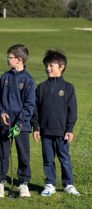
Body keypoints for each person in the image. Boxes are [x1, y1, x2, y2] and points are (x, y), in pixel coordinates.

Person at [31, 49, 80, 197]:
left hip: (62, 132)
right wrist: (36, 127)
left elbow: (72, 111)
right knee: (48, 159)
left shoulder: (68, 88)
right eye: (47, 66)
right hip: (45, 131)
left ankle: (68, 184)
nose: (48, 68)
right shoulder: (41, 87)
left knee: (64, 159)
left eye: (51, 65)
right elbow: (35, 110)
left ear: (61, 67)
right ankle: (50, 184)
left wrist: (69, 129)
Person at [0, 44, 35, 198]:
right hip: (5, 123)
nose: (8, 60)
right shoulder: (5, 77)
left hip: (21, 126)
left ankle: (23, 183)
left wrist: (20, 123)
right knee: (2, 153)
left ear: (19, 59)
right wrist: (1, 112)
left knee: (23, 154)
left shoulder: (28, 80)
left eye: (10, 57)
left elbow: (30, 105)